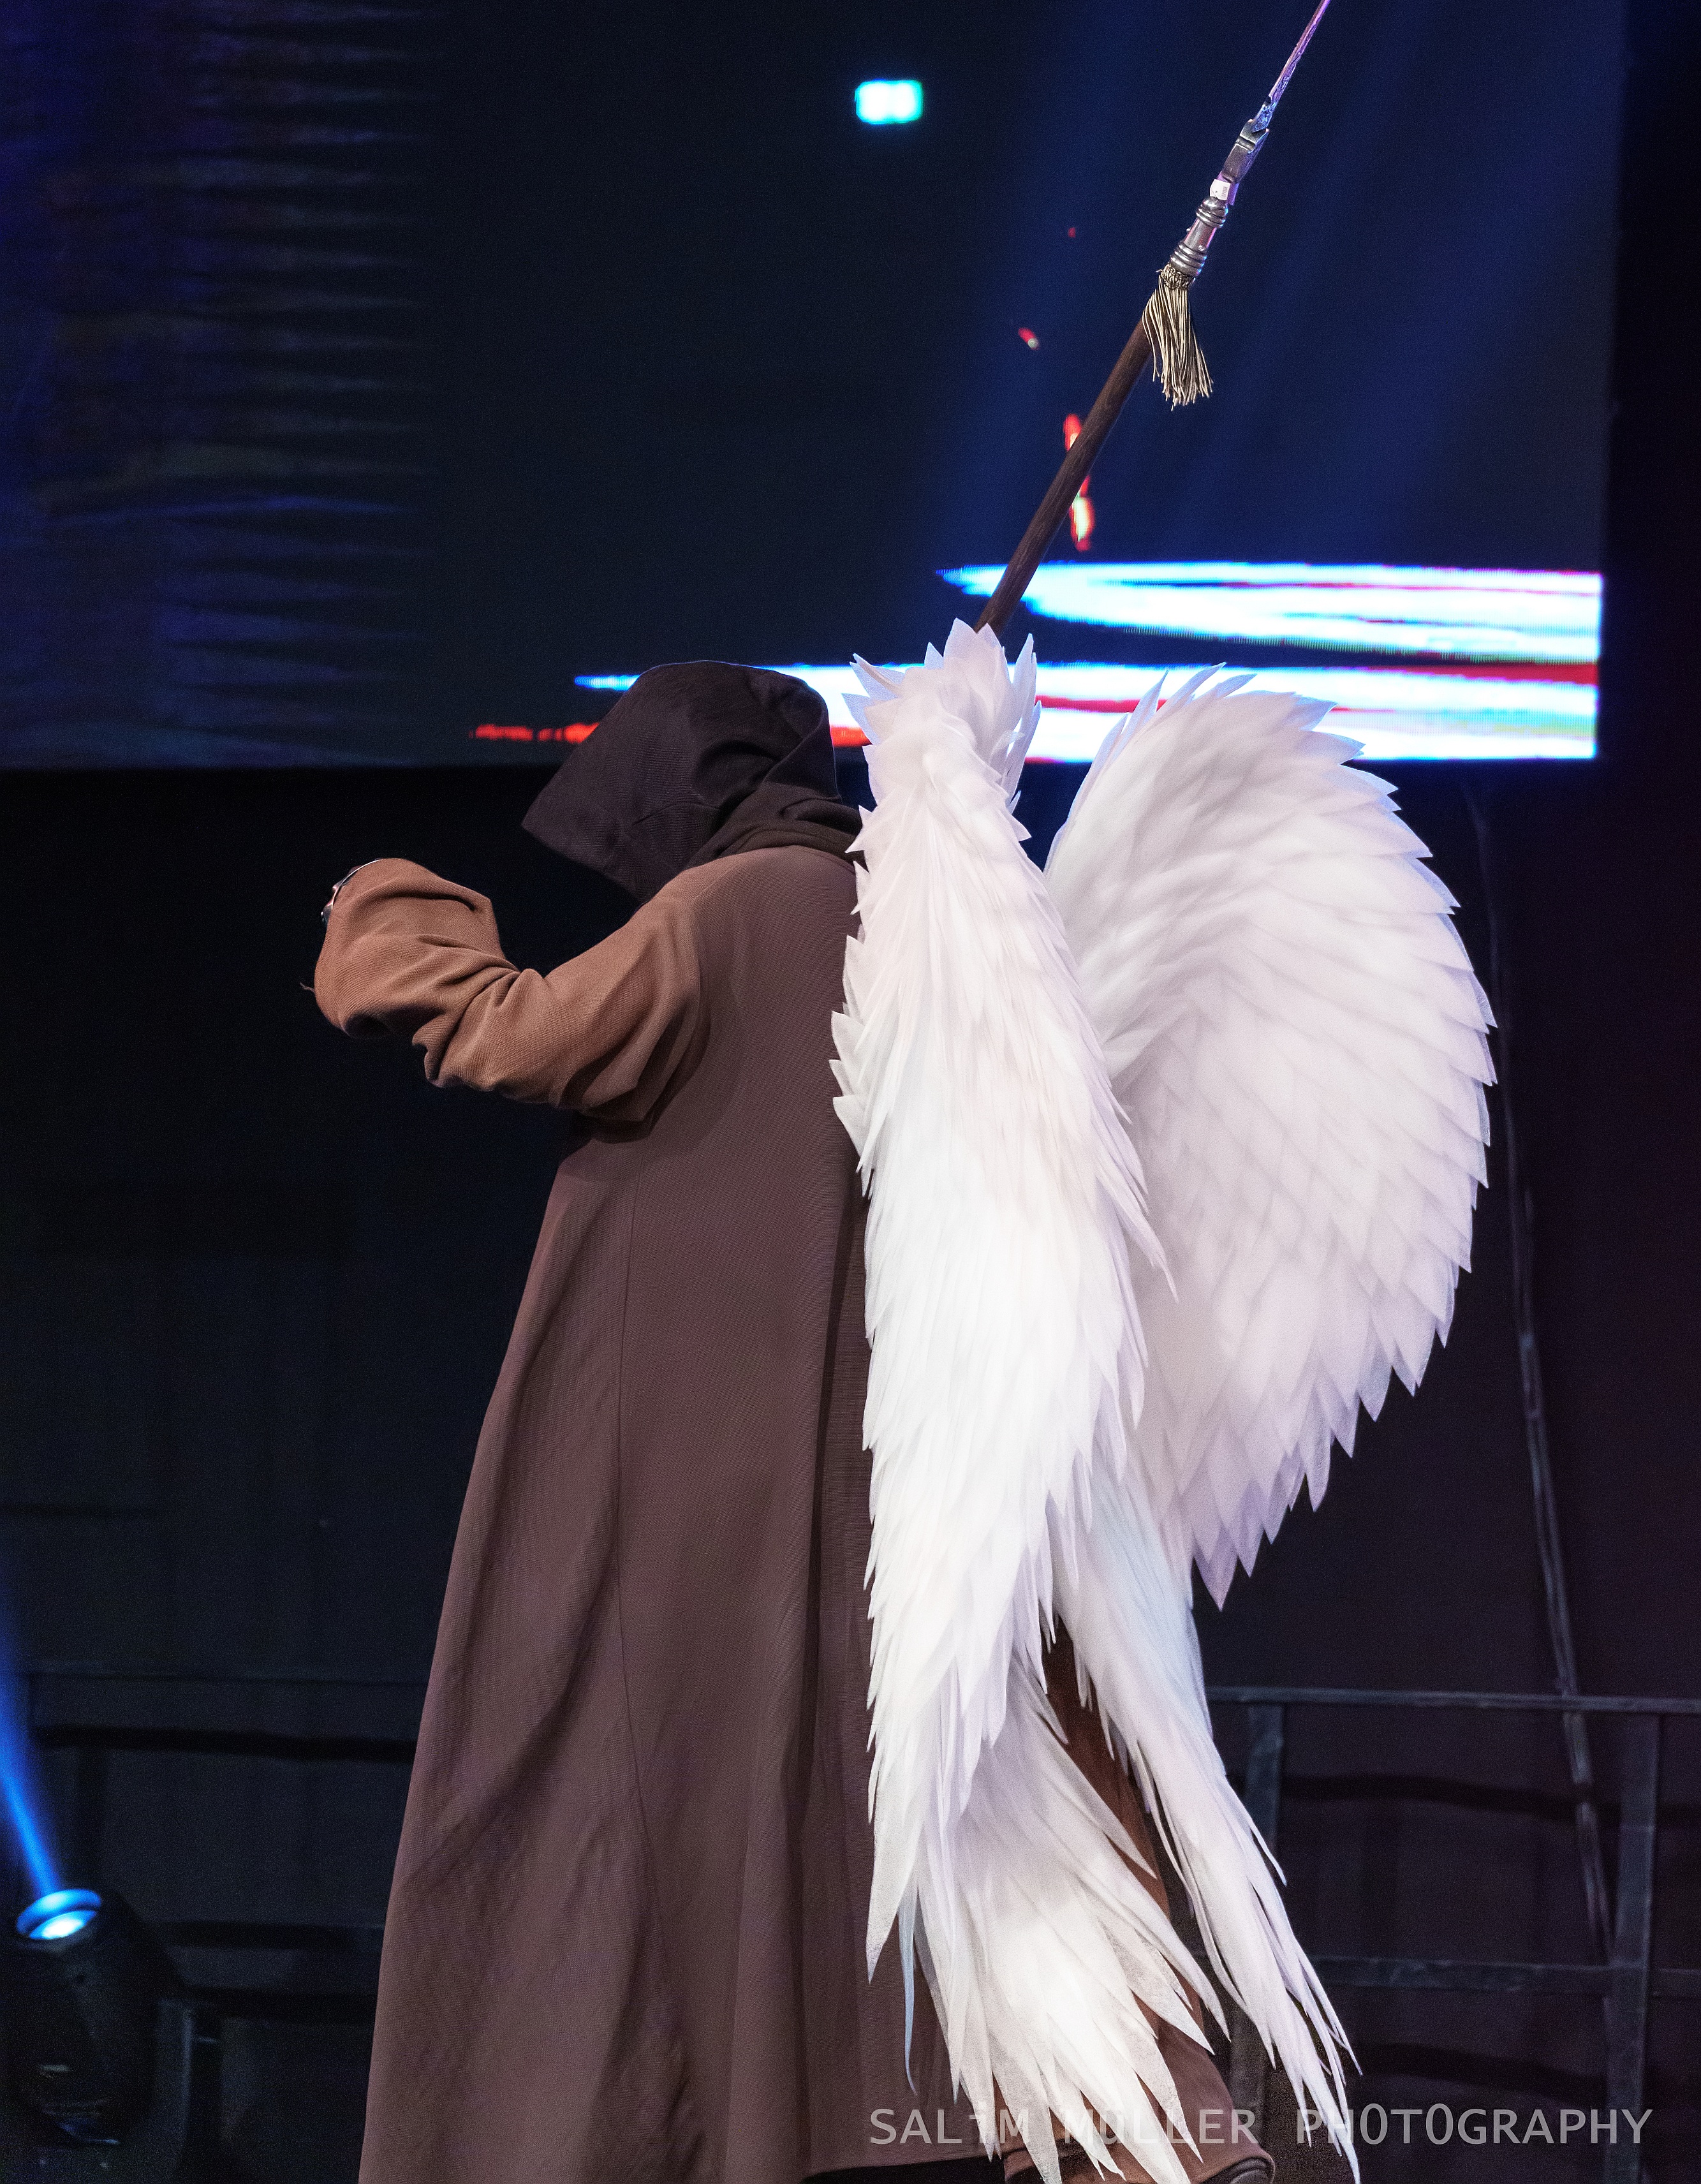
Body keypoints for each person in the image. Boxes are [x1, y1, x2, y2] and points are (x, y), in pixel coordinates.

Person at [314, 661, 1267, 2184]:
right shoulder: (919, 915)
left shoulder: (743, 905)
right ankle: (1135, 2122)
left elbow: (514, 1032)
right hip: (871, 1446)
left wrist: (382, 910)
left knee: (611, 1780)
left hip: (688, 1444)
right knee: (916, 1797)